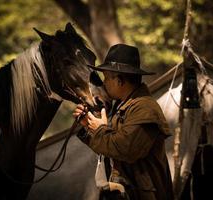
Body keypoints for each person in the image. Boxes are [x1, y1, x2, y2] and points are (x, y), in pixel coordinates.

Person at [73, 44, 174, 200]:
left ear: (120, 81)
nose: (104, 83)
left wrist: (100, 129)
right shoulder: (123, 105)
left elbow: (124, 149)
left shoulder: (145, 108)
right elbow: (109, 147)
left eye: (106, 78)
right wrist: (88, 126)